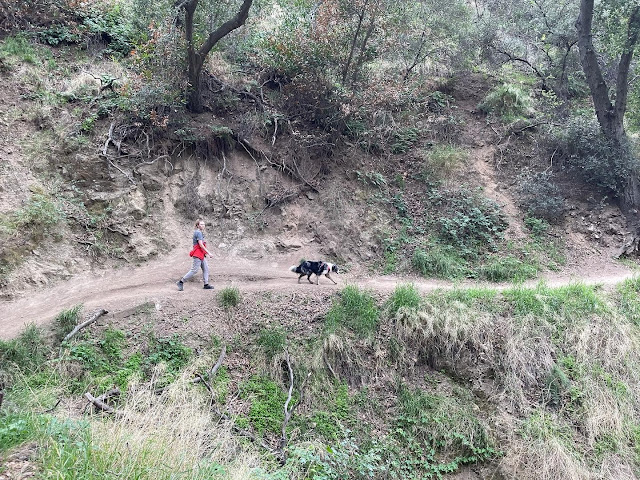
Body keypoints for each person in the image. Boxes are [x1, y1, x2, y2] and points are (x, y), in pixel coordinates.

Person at [177, 219, 214, 290]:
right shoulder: (198, 232)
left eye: (204, 224)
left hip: (201, 253)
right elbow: (201, 244)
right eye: (201, 224)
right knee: (194, 270)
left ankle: (206, 284)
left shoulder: (199, 232)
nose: (203, 226)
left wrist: (205, 253)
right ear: (197, 225)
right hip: (198, 254)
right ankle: (181, 282)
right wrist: (208, 253)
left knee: (206, 268)